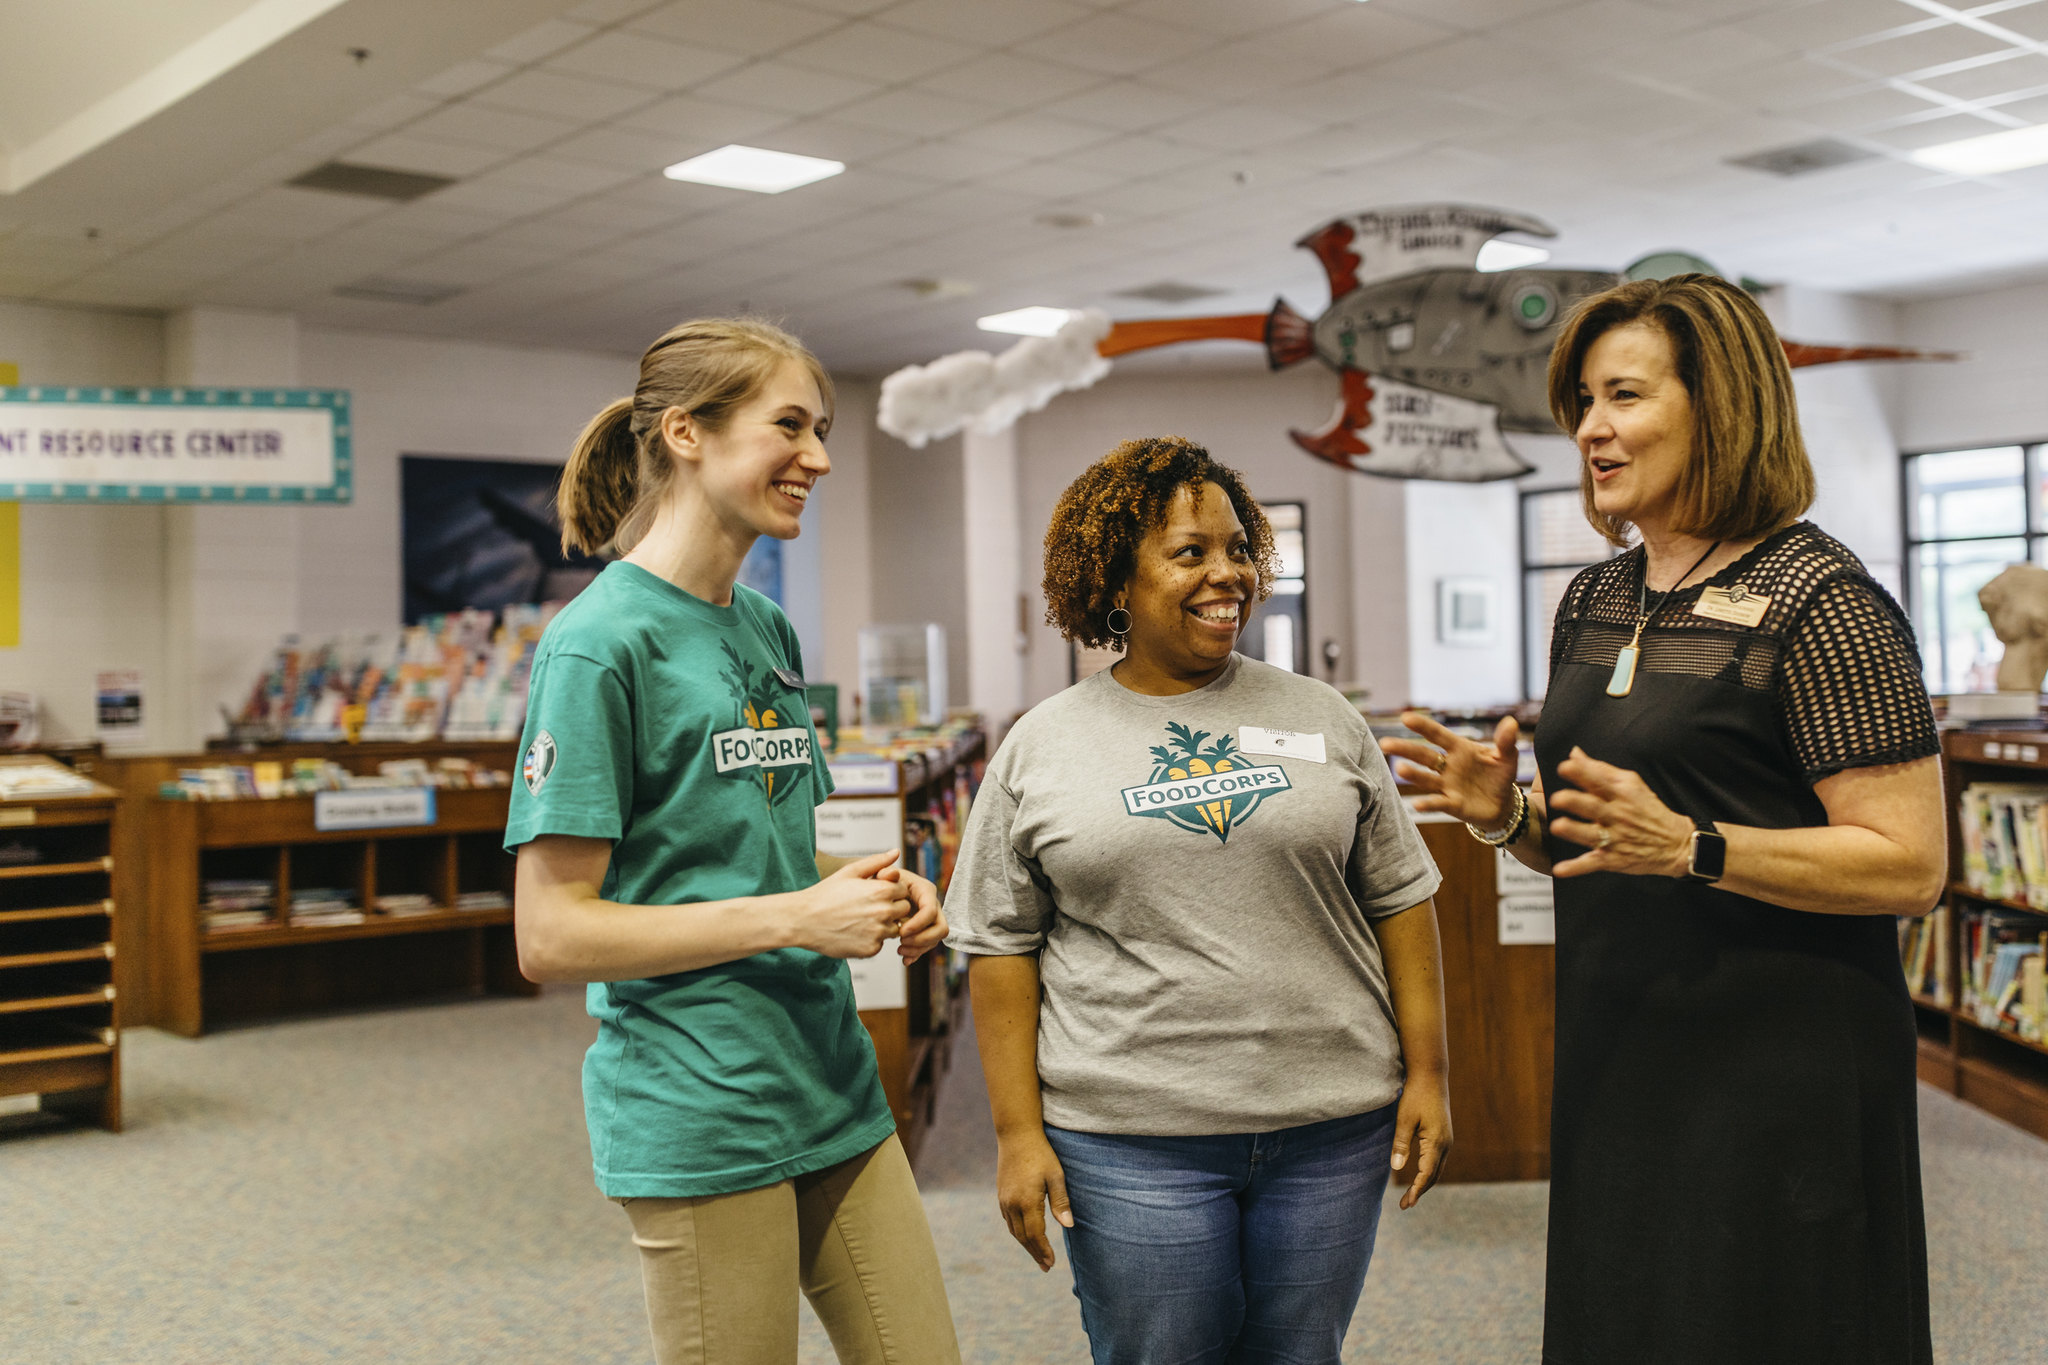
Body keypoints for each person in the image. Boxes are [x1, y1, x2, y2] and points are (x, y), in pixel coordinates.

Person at [1383, 275, 1945, 1365]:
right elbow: (1609, 837)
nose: (1590, 428)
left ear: (1717, 405)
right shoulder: (1596, 600)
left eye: (1622, 396)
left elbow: (1908, 865)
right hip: (1620, 1042)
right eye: (1583, 403)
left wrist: (1692, 847)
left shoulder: (1821, 603)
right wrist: (1508, 819)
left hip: (1781, 1065)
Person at [505, 317, 962, 1365]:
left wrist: (875, 890)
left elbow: (757, 846)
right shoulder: (596, 645)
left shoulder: (766, 629)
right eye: (789, 426)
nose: (819, 457)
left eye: (823, 429)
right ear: (685, 435)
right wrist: (800, 917)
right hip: (701, 1103)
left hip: (830, 1079)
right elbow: (551, 934)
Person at [947, 436, 1451, 1365]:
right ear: (1115, 583)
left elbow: (1401, 898)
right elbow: (999, 945)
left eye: (1237, 548)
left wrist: (1430, 1074)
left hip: (1329, 1127)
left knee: (1301, 1355)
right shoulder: (1041, 745)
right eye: (1190, 553)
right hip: (1133, 1138)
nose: (1229, 574)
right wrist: (1018, 1133)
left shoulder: (1322, 716)